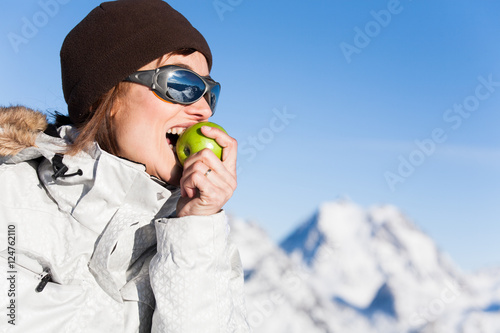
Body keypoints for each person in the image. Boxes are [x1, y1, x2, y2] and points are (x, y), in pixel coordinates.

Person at [0, 0, 249, 332]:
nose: (204, 110)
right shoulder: (11, 203)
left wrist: (195, 226)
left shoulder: (198, 239)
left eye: (209, 93)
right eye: (181, 85)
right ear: (109, 96)